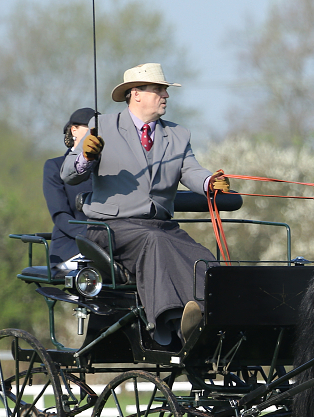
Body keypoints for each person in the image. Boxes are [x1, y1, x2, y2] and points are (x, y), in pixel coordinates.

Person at [60, 63, 228, 347]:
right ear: (136, 94)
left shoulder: (178, 135)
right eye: (159, 89)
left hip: (160, 226)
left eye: (165, 90)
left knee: (203, 258)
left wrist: (210, 182)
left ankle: (208, 315)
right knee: (155, 241)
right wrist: (85, 158)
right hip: (111, 228)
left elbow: (191, 170)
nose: (166, 95)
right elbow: (68, 174)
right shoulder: (102, 128)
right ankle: (172, 321)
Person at [43, 107, 94, 271]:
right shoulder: (55, 166)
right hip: (72, 247)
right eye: (91, 128)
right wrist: (91, 235)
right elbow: (60, 215)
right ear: (74, 130)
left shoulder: (110, 168)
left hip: (112, 243)